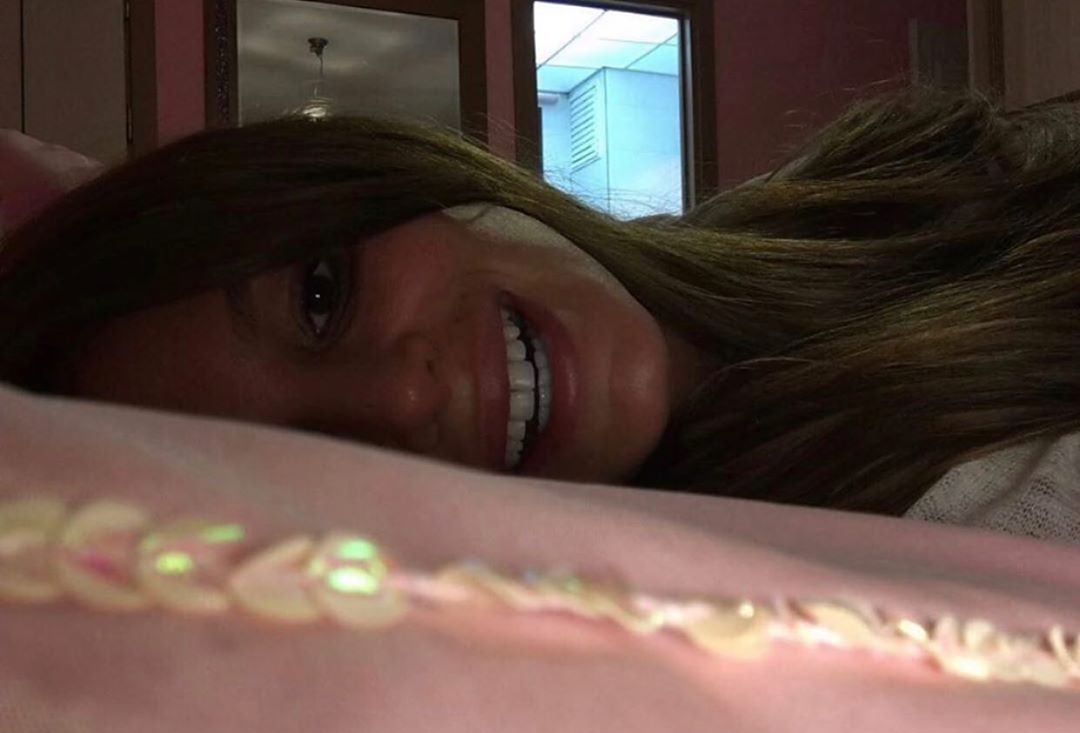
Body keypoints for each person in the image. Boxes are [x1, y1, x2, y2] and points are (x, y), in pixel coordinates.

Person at [1, 88, 1078, 530]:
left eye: (322, 297)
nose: (400, 399)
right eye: (308, 463)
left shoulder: (901, 172)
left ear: (394, 180)